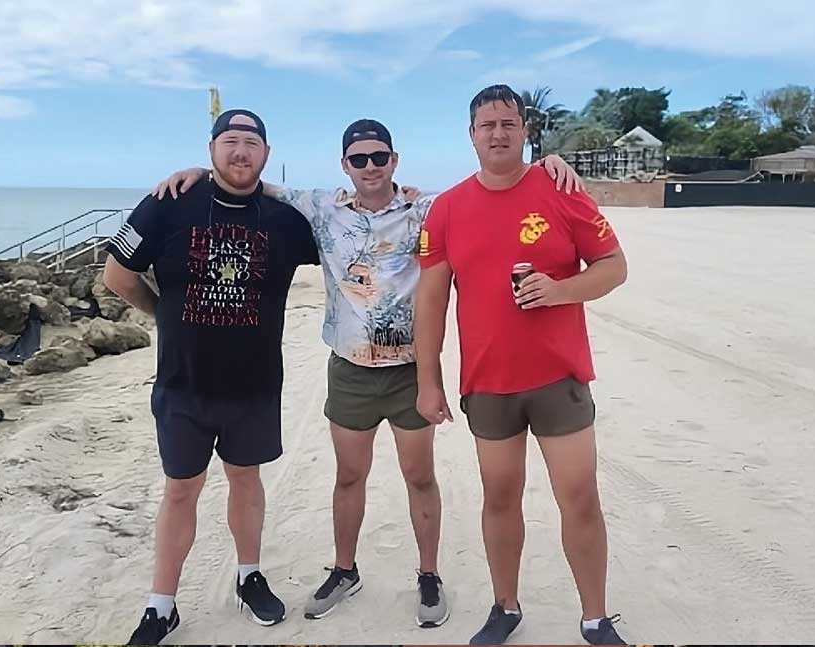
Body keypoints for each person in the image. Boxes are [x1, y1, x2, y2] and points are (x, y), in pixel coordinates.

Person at [152, 118, 584, 629]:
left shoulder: (428, 208)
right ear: (345, 166)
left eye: (380, 157)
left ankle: (429, 575)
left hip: (408, 370)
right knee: (349, 476)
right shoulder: (322, 208)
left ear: (395, 161)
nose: (371, 167)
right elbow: (250, 181)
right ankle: (344, 569)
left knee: (419, 476)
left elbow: (489, 188)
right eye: (359, 159)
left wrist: (543, 167)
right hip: (350, 370)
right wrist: (202, 173)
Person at [413, 85, 628, 645]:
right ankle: (505, 607)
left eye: (509, 123)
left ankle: (595, 618)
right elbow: (431, 301)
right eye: (487, 125)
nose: (498, 133)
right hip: (488, 382)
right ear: (471, 134)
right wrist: (427, 380)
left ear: (525, 130)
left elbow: (613, 267)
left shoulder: (559, 189)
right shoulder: (447, 208)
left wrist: (560, 291)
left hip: (559, 376)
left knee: (579, 496)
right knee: (500, 497)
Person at [104, 109, 320, 644]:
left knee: (246, 479)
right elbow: (117, 275)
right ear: (211, 149)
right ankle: (161, 605)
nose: (240, 151)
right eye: (230, 141)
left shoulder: (286, 220)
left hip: (254, 383)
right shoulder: (169, 203)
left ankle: (249, 576)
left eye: (251, 143)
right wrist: (163, 316)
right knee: (181, 489)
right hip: (183, 382)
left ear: (265, 155)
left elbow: (354, 231)